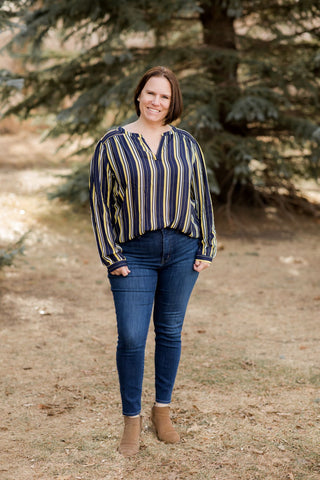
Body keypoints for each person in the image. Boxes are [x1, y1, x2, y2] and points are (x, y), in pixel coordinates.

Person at [89, 66, 217, 457]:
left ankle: (162, 411)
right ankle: (132, 419)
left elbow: (201, 196)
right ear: (138, 95)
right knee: (130, 336)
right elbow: (100, 204)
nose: (156, 102)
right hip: (134, 254)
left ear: (171, 101)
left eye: (163, 96)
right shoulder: (113, 143)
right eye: (150, 93)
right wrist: (112, 256)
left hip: (181, 250)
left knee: (170, 331)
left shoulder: (186, 143)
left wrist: (205, 246)